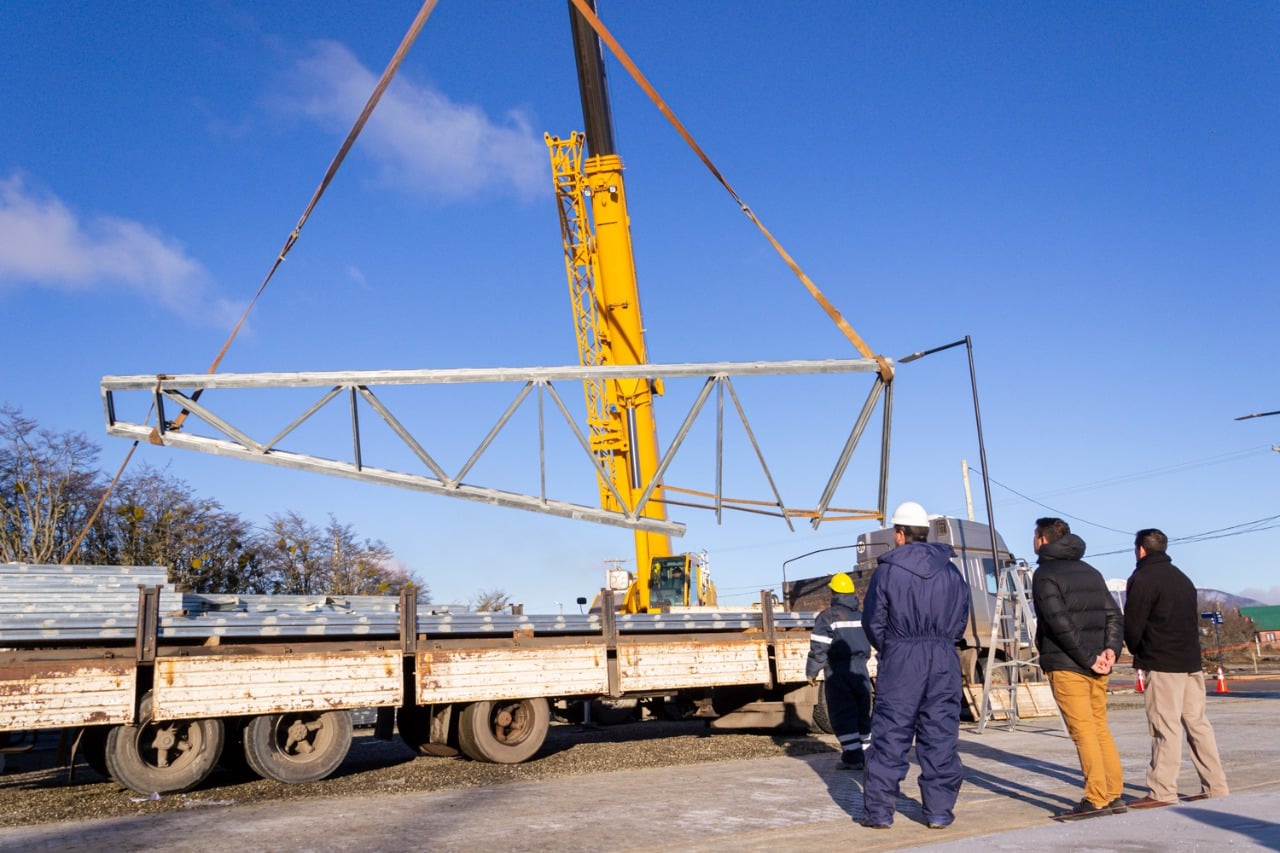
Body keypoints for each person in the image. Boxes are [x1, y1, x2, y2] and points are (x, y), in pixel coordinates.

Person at [860, 501, 970, 830]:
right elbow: (961, 619)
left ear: (899, 534)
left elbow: (873, 622)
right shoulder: (951, 571)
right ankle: (938, 812)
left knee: (891, 735)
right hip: (942, 657)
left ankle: (879, 813)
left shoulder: (887, 571)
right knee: (940, 734)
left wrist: (893, 647)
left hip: (902, 657)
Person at [1123, 528, 1229, 808]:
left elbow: (1134, 623)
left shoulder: (1143, 578)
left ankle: (1162, 791)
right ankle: (1215, 785)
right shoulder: (1182, 578)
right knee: (1198, 724)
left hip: (1162, 661)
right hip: (1191, 662)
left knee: (1164, 726)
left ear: (1141, 550)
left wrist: (1136, 650)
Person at [1031, 517, 1125, 819]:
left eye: (1035, 536)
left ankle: (1095, 797)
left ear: (1043, 540)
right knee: (1099, 728)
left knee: (1083, 731)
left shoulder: (1045, 574)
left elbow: (1059, 625)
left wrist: (1087, 657)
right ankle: (1113, 794)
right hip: (1097, 664)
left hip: (1068, 664)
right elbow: (1114, 616)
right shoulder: (1091, 572)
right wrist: (1110, 650)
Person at [805, 572, 873, 769]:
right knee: (863, 713)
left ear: (833, 592)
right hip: (861, 670)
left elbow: (819, 648)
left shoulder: (828, 617)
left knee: (843, 713)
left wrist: (812, 672)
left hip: (838, 671)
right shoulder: (862, 616)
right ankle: (869, 756)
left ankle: (853, 759)